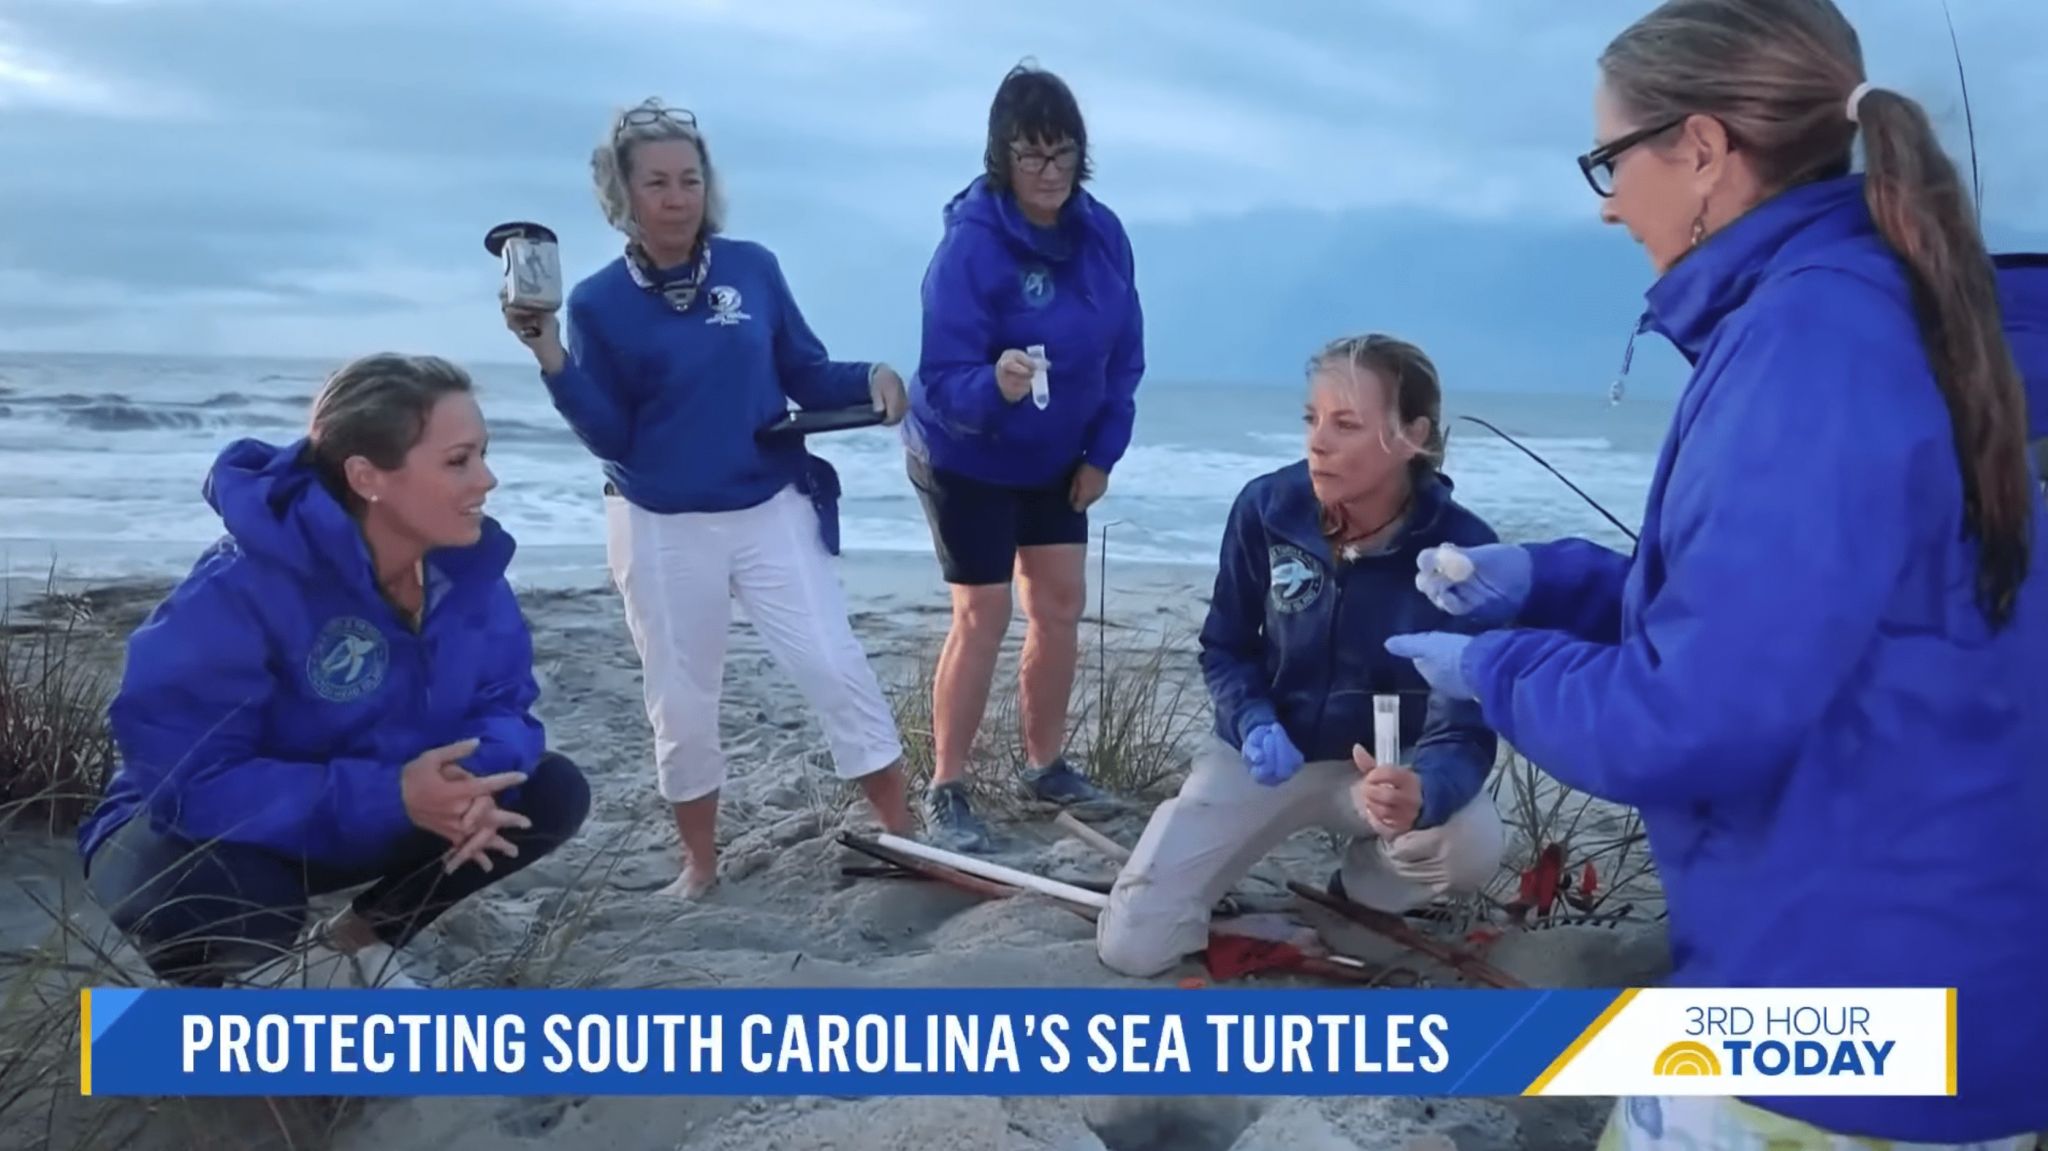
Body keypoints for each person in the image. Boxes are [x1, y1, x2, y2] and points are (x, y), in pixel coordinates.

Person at [1380, 1, 2048, 1145]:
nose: (1602, 200)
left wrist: (1496, 666)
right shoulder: (1880, 310)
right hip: (1914, 966)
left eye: (1609, 157)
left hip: (1852, 1012)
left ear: (1698, 150)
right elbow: (1799, 620)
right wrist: (1550, 579)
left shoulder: (1811, 347)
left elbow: (1688, 720)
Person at [503, 98, 914, 898]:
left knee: (835, 665)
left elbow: (804, 368)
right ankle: (700, 865)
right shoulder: (595, 302)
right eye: (656, 182)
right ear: (622, 196)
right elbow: (610, 434)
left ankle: (906, 836)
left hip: (767, 503)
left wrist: (870, 378)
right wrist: (551, 354)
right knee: (683, 702)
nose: (677, 196)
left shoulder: (753, 267)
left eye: (690, 179)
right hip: (658, 518)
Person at [76, 353, 592, 989]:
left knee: (548, 790)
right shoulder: (239, 588)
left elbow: (505, 702)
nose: (486, 481)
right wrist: (392, 793)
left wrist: (467, 783)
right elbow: (188, 781)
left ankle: (359, 939)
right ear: (368, 476)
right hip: (190, 831)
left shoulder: (467, 575)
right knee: (225, 900)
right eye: (459, 460)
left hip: (364, 815)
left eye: (483, 454)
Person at [1096, 334, 1504, 978]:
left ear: (1409, 435)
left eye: (1346, 424)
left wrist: (1425, 790)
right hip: (1267, 758)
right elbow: (1225, 647)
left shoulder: (1466, 553)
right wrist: (1252, 721)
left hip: (1381, 774)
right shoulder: (1268, 508)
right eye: (1312, 419)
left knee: (1472, 843)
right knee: (1133, 947)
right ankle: (1209, 898)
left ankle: (1361, 892)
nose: (1318, 441)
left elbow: (1467, 720)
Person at [901, 61, 1146, 852]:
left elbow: (1126, 356)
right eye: (1031, 155)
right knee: (984, 615)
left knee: (1060, 605)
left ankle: (1045, 765)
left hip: (1055, 456)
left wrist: (1103, 451)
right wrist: (993, 385)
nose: (1049, 172)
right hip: (964, 453)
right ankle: (947, 783)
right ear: (1001, 158)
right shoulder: (970, 248)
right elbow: (939, 381)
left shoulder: (1102, 234)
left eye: (1063, 153)